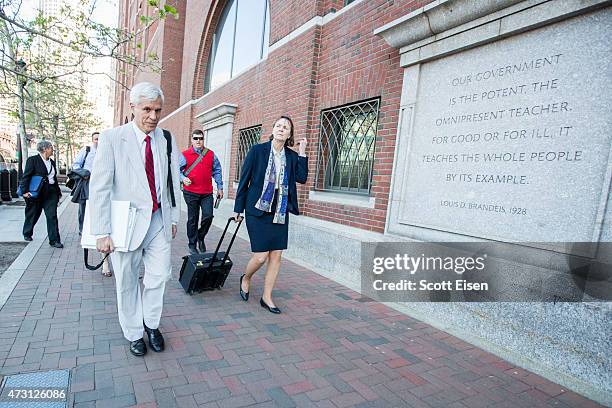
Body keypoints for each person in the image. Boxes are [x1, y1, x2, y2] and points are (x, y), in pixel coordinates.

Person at [89, 82, 181, 357]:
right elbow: (100, 187)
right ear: (133, 108)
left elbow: (172, 181)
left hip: (158, 220)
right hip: (125, 225)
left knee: (159, 275)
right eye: (147, 109)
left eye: (158, 110)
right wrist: (102, 231)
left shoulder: (166, 138)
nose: (153, 116)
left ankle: (151, 324)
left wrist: (173, 217)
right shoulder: (112, 138)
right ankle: (133, 332)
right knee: (127, 281)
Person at [233, 116, 308, 314]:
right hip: (256, 208)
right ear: (273, 129)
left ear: (290, 134)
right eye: (278, 126)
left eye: (286, 127)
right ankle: (246, 278)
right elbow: (244, 180)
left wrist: (302, 153)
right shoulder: (258, 151)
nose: (281, 129)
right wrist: (238, 209)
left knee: (276, 256)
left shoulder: (291, 156)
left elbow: (301, 178)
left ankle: (267, 297)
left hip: (280, 210)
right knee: (260, 257)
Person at [72, 132, 113, 277]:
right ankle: (105, 263)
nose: (99, 142)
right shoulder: (87, 151)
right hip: (89, 186)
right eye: (96, 139)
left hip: (112, 191)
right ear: (92, 140)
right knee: (91, 216)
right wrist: (86, 173)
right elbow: (75, 166)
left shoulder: (112, 152)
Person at [179, 129, 223, 254]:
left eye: (201, 138)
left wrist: (220, 187)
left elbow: (217, 170)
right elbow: (177, 170)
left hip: (207, 192)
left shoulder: (210, 154)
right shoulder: (185, 155)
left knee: (208, 216)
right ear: (192, 140)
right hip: (190, 191)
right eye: (196, 138)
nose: (198, 141)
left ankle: (201, 236)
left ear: (203, 140)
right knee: (193, 219)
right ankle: (192, 244)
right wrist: (183, 178)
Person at [21, 140, 63, 248]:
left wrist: (58, 192)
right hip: (37, 193)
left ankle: (54, 240)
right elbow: (26, 176)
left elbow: (53, 179)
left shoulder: (51, 162)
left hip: (51, 192)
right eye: (51, 147)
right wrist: (24, 191)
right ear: (45, 149)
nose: (52, 149)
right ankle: (27, 233)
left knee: (52, 216)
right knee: (33, 214)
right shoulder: (33, 160)